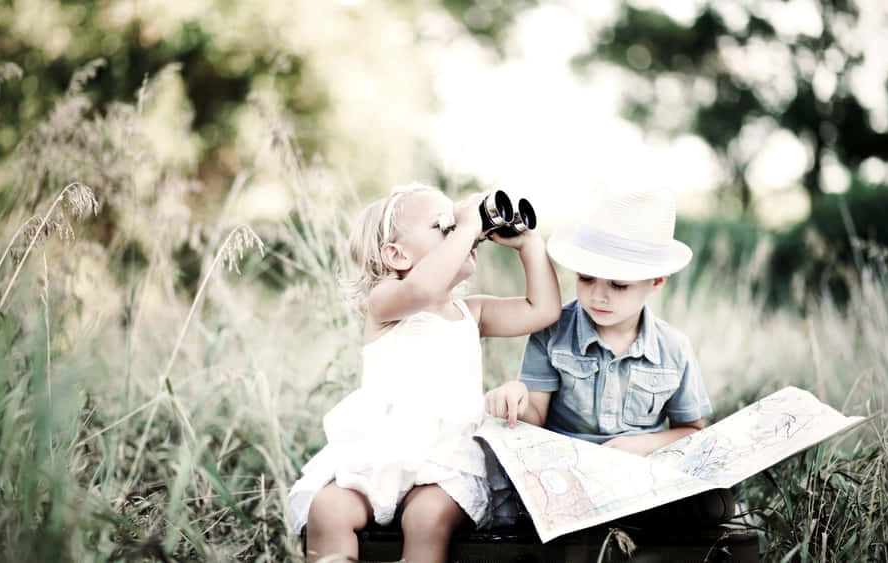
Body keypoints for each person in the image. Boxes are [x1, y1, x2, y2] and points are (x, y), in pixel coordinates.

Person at [289, 182, 561, 563]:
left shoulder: (472, 312)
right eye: (443, 226)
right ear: (397, 255)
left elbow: (542, 310)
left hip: (445, 460)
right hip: (376, 454)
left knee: (427, 518)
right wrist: (467, 227)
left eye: (459, 227)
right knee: (328, 509)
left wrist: (530, 245)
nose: (463, 232)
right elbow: (422, 288)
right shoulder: (386, 302)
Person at [485, 187, 733, 522]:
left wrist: (643, 445)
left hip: (636, 472)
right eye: (586, 278)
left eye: (618, 285)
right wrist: (515, 396)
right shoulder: (553, 331)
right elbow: (535, 418)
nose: (598, 296)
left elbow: (691, 430)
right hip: (564, 472)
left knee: (717, 504)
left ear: (656, 280)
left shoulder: (674, 348)